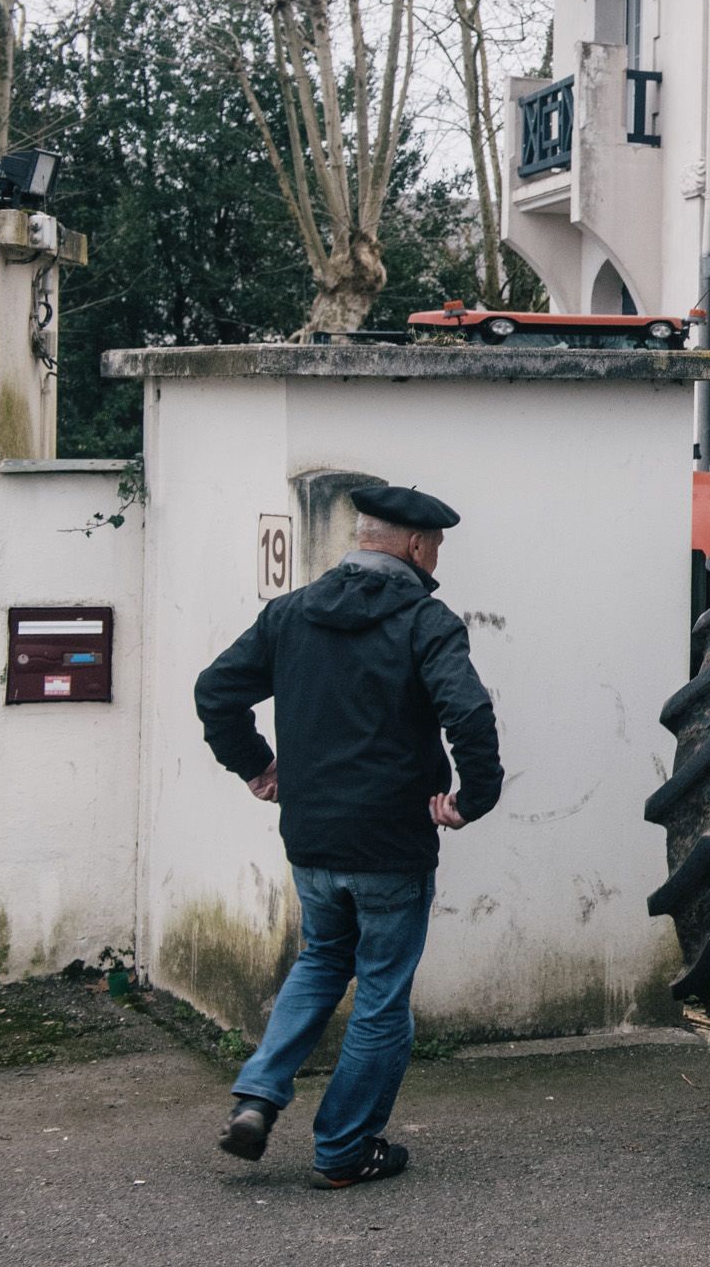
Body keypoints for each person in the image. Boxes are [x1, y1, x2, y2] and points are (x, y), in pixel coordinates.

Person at [193, 484, 504, 1189]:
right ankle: (343, 1148)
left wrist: (258, 765)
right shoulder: (427, 621)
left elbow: (216, 690)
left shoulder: (290, 613)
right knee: (382, 997)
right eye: (437, 548)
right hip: (391, 844)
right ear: (416, 546)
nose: (437, 560)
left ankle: (258, 1097)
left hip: (311, 838)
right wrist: (471, 799)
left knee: (321, 958)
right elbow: (470, 715)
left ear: (362, 539)